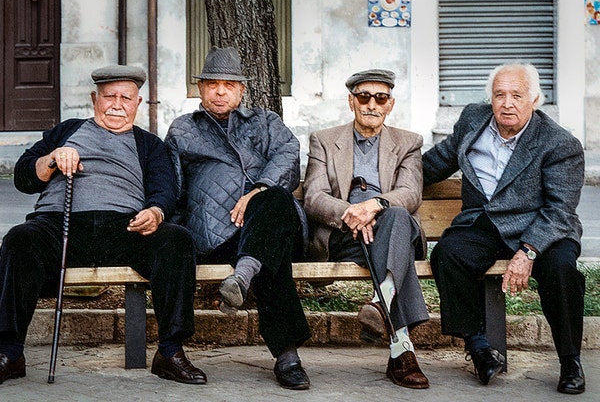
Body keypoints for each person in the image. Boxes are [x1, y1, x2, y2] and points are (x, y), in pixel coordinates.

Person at [1, 65, 206, 386]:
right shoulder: (66, 131)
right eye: (110, 96)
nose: (117, 104)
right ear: (94, 99)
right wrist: (53, 158)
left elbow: (165, 189)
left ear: (138, 103)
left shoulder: (149, 144)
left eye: (126, 98)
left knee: (177, 240)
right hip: (60, 225)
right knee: (19, 239)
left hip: (124, 229)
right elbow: (24, 176)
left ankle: (170, 351)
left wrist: (155, 212)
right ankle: (10, 353)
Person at [423, 63, 586, 394]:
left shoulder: (559, 143)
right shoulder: (473, 120)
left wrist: (528, 251)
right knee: (448, 253)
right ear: (490, 99)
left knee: (561, 270)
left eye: (517, 95)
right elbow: (433, 163)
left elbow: (559, 210)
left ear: (535, 99)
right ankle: (479, 347)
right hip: (485, 225)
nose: (507, 103)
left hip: (542, 227)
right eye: (500, 95)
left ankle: (570, 361)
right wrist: (384, 182)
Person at [165, 46, 311, 390]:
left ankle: (242, 277)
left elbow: (289, 154)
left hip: (271, 219)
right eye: (212, 84)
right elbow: (174, 189)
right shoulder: (183, 130)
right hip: (216, 234)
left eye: (228, 85)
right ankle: (287, 356)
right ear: (199, 89)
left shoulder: (265, 121)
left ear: (241, 90)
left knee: (273, 202)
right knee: (267, 253)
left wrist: (257, 189)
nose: (219, 91)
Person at [303, 69, 430, 389]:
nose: (371, 104)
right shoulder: (324, 140)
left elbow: (410, 193)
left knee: (398, 218)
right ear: (351, 101)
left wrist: (374, 206)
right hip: (344, 234)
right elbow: (314, 196)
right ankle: (401, 350)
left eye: (380, 98)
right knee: (395, 252)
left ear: (390, 104)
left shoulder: (408, 142)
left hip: (391, 225)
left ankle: (383, 302)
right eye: (364, 97)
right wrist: (351, 213)